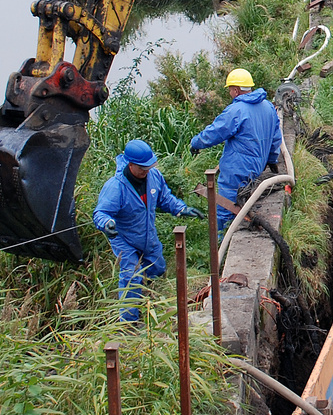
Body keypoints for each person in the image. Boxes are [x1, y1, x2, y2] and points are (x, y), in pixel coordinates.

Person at [93, 138, 201, 322]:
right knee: (131, 277)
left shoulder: (154, 176)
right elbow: (101, 213)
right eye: (142, 167)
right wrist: (107, 224)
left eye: (148, 166)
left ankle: (147, 301)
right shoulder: (116, 186)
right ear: (130, 163)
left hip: (147, 235)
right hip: (123, 238)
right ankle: (129, 323)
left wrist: (181, 209)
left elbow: (165, 198)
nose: (145, 170)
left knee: (157, 269)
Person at [189, 68, 283, 238]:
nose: (230, 93)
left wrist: (196, 143)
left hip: (238, 168)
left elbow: (215, 132)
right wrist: (271, 159)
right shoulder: (268, 107)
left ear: (236, 89)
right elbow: (276, 138)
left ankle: (220, 245)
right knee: (244, 199)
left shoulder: (237, 110)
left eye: (230, 89)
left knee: (225, 207)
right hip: (257, 166)